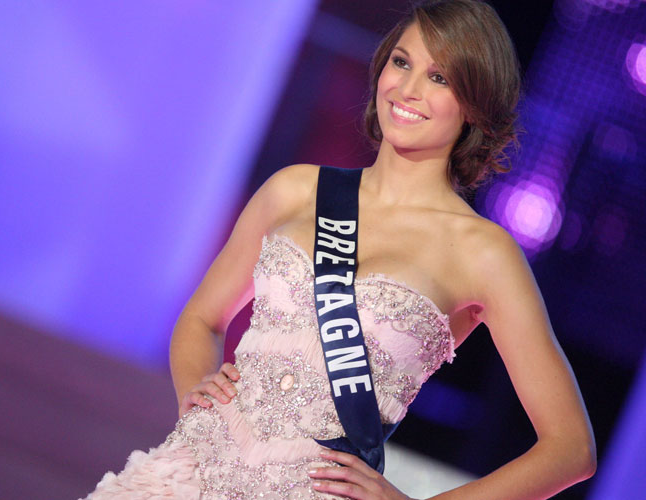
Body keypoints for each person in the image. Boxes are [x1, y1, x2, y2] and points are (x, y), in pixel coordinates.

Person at [81, 0, 596, 498]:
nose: (408, 88)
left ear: (474, 103)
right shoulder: (294, 190)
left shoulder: (484, 253)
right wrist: (196, 393)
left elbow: (570, 449)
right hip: (185, 475)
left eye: (439, 78)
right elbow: (202, 318)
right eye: (401, 62)